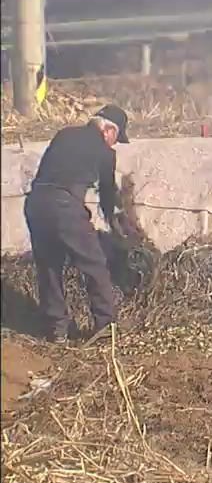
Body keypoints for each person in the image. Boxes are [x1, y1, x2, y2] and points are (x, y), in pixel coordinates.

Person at [24, 105, 130, 344]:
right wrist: (116, 224)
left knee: (49, 266)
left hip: (36, 203)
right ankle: (105, 329)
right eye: (116, 137)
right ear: (108, 130)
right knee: (94, 264)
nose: (114, 143)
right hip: (64, 207)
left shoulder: (64, 134)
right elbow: (106, 193)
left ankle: (56, 329)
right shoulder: (105, 152)